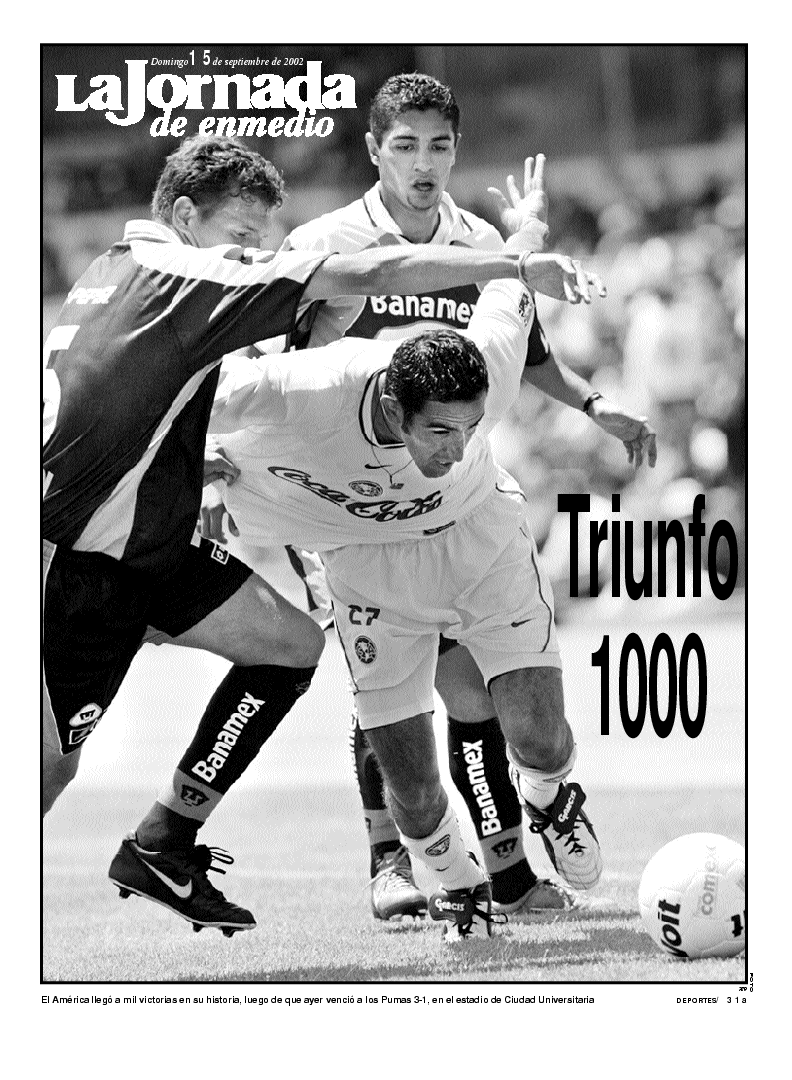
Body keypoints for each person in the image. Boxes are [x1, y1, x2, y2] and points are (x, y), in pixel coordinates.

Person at [44, 133, 586, 935]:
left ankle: (165, 840)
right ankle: (403, 860)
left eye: (262, 238)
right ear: (185, 216)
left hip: (148, 544)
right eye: (242, 235)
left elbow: (134, 398)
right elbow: (367, 273)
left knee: (290, 645)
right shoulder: (188, 276)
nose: (255, 253)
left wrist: (193, 463)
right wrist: (516, 260)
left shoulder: (109, 272)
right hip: (81, 558)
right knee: (46, 771)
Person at [197, 74, 656, 923]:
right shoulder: (327, 244)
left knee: (478, 693)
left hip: (451, 495)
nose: (423, 163)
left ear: (454, 150)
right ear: (375, 150)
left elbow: (523, 349)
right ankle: (393, 862)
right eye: (404, 145)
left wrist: (594, 404)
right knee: (399, 685)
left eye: (438, 145)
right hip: (346, 507)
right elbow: (259, 370)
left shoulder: (479, 242)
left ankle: (509, 862)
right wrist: (224, 461)